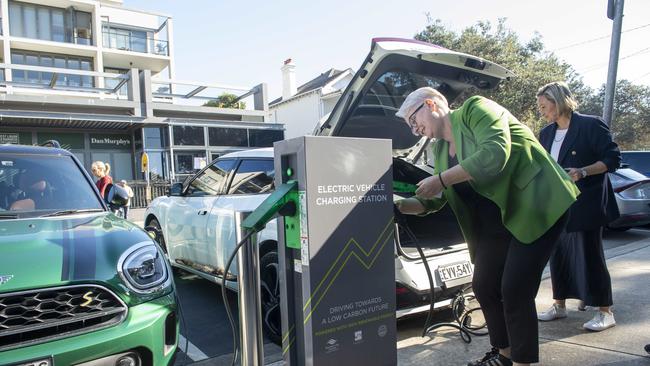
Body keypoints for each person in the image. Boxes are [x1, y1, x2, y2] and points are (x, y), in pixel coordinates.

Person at [394, 87, 579, 366]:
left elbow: (494, 153)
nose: (413, 129)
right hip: (498, 221)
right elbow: (434, 200)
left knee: (514, 288)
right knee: (484, 285)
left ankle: (522, 361)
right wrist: (398, 206)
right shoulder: (441, 149)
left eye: (412, 119)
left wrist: (441, 179)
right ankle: (503, 354)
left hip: (535, 204)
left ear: (430, 104)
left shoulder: (475, 110)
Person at [536, 81, 620, 331]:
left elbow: (613, 159)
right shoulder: (546, 133)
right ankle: (559, 306)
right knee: (558, 255)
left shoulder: (590, 124)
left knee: (590, 256)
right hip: (557, 204)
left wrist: (583, 171)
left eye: (544, 105)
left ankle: (605, 312)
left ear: (558, 101)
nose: (541, 111)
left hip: (587, 203)